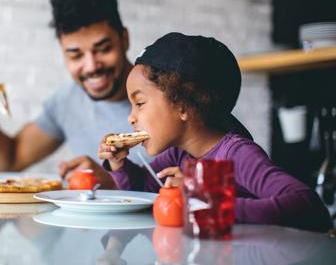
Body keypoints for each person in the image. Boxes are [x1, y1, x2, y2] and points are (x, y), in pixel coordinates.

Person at [98, 32, 331, 232]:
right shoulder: (180, 155)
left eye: (139, 103)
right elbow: (145, 191)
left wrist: (206, 197)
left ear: (181, 105)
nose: (131, 118)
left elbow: (309, 207)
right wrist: (120, 165)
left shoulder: (237, 155)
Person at [0, 0, 140, 188]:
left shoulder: (167, 95)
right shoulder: (68, 101)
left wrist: (114, 182)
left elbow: (185, 185)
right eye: (75, 55)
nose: (91, 66)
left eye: (103, 49)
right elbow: (8, 160)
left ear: (124, 39)